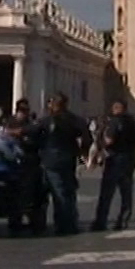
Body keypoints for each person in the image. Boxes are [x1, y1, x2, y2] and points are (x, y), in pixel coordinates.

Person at [31, 93, 91, 236]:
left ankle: (61, 225)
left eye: (50, 103)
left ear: (54, 104)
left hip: (51, 160)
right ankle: (70, 222)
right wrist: (82, 155)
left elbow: (32, 133)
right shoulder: (75, 120)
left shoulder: (48, 121)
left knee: (57, 193)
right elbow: (87, 139)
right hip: (68, 159)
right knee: (69, 192)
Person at [91, 100, 135, 232]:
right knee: (126, 191)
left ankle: (100, 221)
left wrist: (100, 145)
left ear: (116, 108)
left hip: (115, 159)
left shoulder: (114, 122)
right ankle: (124, 219)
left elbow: (109, 140)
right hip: (130, 159)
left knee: (107, 192)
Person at [3, 98, 44, 235]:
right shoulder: (11, 122)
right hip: (18, 162)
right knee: (18, 194)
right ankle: (16, 220)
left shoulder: (28, 124)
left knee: (30, 194)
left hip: (29, 161)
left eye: (25, 111)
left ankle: (32, 221)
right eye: (22, 111)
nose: (24, 114)